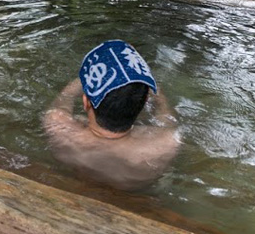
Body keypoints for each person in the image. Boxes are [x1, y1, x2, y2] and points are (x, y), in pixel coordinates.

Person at [42, 40, 180, 191]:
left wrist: (91, 75)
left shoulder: (59, 129)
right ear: (145, 100)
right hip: (134, 195)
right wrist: (144, 85)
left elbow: (66, 96)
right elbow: (166, 116)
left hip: (78, 186)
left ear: (86, 102)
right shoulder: (167, 143)